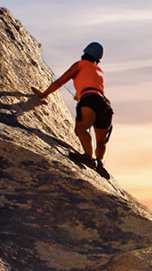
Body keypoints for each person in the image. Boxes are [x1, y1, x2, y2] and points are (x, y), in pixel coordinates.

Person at [33, 42, 113, 179]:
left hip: (90, 99)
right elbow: (92, 86)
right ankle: (100, 164)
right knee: (101, 141)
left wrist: (43, 94)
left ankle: (88, 156)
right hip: (105, 105)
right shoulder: (99, 71)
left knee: (81, 129)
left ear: (84, 53)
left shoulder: (79, 65)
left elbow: (59, 82)